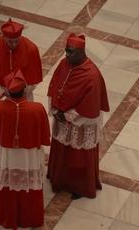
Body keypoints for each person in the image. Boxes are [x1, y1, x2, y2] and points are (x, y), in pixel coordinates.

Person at [0, 69, 51, 229]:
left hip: (7, 155)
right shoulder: (37, 109)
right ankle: (30, 217)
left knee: (7, 181)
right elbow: (44, 135)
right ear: (24, 89)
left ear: (7, 91)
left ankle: (4, 214)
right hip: (29, 156)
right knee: (28, 181)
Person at [47, 33, 109, 199]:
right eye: (66, 51)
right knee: (62, 150)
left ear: (81, 52)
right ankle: (59, 179)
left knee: (78, 156)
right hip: (63, 117)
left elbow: (89, 106)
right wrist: (56, 110)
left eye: (71, 52)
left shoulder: (91, 75)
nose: (67, 55)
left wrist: (66, 116)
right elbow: (54, 86)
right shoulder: (64, 64)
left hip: (80, 122)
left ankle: (79, 187)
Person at [0, 19, 43, 101]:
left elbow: (32, 80)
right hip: (0, 93)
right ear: (4, 37)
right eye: (10, 41)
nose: (14, 44)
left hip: (23, 94)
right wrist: (2, 97)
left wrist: (19, 96)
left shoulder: (31, 49)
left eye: (17, 41)